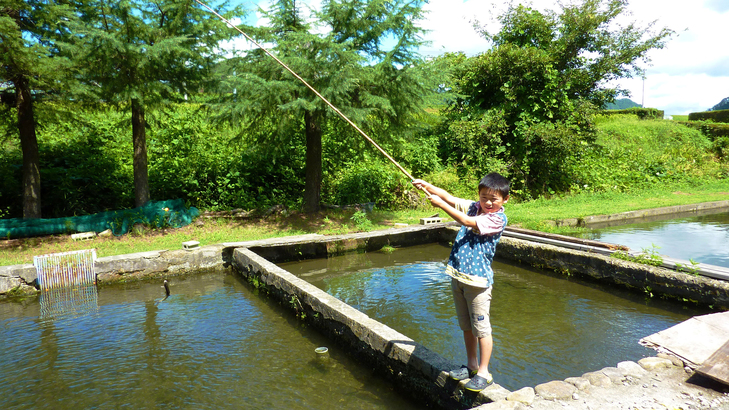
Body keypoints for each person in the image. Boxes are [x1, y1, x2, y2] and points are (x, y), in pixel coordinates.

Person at [411, 173, 510, 392]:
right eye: (484, 197)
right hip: (458, 277)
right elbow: (449, 196)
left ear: (505, 199)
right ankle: (471, 365)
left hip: (477, 283)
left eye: (494, 199)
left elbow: (466, 221)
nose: (488, 202)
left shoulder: (496, 219)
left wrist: (439, 205)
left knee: (482, 329)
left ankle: (484, 372)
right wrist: (427, 186)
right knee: (466, 327)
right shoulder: (475, 206)